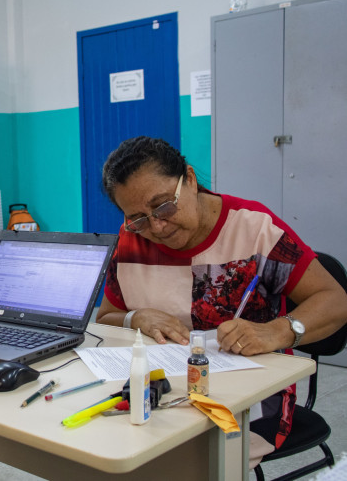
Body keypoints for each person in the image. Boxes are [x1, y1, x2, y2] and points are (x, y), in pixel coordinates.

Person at [95, 136, 347, 468]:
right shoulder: (131, 239)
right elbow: (107, 317)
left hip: (249, 401)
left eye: (164, 206)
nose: (157, 226)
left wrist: (280, 331)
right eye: (139, 218)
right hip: (158, 393)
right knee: (106, 450)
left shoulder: (254, 229)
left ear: (190, 179)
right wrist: (136, 317)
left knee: (193, 462)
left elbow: (335, 301)